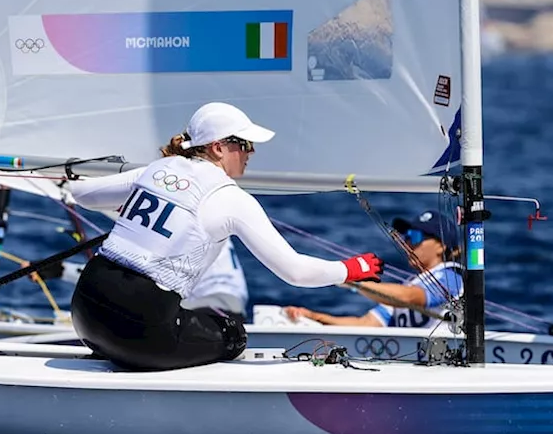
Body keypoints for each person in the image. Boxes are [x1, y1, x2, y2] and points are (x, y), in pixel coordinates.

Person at [66, 102, 384, 371]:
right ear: (218, 147)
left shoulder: (156, 170)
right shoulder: (232, 199)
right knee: (233, 335)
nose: (251, 152)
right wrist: (352, 269)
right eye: (243, 144)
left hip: (84, 310)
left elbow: (83, 195)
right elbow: (295, 272)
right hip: (138, 327)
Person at [283, 211, 463, 328]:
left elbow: (408, 298)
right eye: (405, 236)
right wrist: (313, 317)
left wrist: (350, 279)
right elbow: (366, 323)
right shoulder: (411, 284)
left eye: (415, 237)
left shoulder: (451, 277)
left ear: (441, 246)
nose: (407, 243)